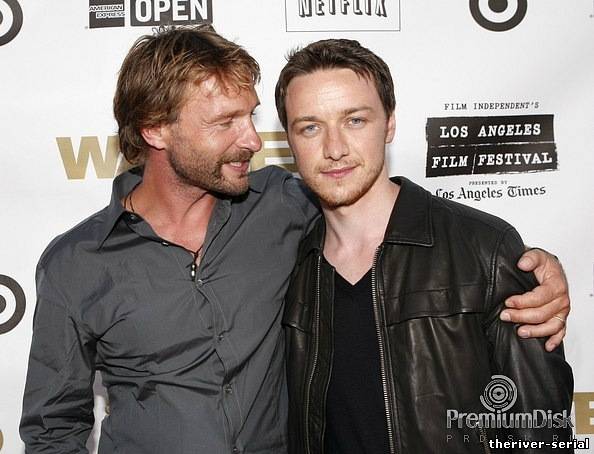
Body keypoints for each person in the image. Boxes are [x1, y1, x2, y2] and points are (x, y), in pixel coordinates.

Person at [21, 26, 568, 453]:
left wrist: (532, 267)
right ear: (155, 129)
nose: (253, 141)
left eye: (252, 117)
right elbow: (52, 428)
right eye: (225, 122)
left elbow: (538, 427)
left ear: (389, 123)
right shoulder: (76, 263)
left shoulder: (283, 206)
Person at [276, 39, 574, 453]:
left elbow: (541, 434)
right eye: (310, 127)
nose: (334, 148)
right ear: (290, 141)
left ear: (389, 124)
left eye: (355, 120)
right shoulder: (290, 266)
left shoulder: (484, 250)